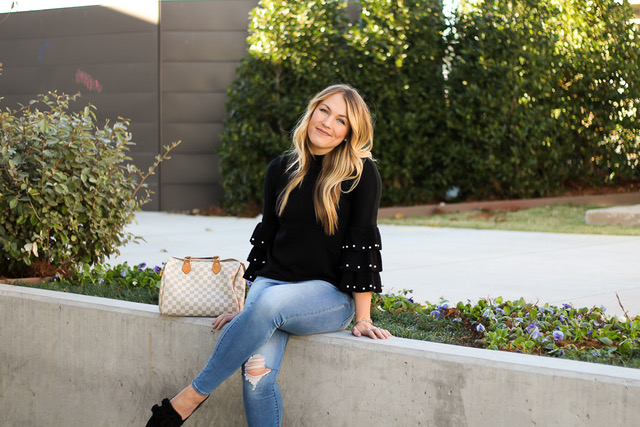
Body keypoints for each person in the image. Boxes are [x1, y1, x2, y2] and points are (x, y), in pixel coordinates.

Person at [145, 83, 391, 427]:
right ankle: (246, 331)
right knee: (256, 376)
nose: (328, 123)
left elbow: (362, 246)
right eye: (325, 111)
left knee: (269, 305)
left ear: (350, 133)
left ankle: (189, 398)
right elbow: (268, 238)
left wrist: (363, 318)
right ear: (313, 110)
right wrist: (248, 314)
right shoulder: (280, 168)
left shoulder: (360, 174)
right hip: (271, 286)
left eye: (341, 120)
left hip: (328, 296)